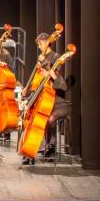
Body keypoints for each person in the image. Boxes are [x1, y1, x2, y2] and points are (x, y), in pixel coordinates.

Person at [22, 32, 71, 165]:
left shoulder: (55, 57)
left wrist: (45, 64)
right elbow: (38, 82)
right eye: (38, 44)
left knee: (48, 119)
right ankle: (30, 148)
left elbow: (55, 77)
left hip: (56, 99)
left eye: (41, 43)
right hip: (42, 95)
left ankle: (51, 145)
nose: (39, 46)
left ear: (48, 42)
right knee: (28, 117)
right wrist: (28, 89)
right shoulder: (41, 57)